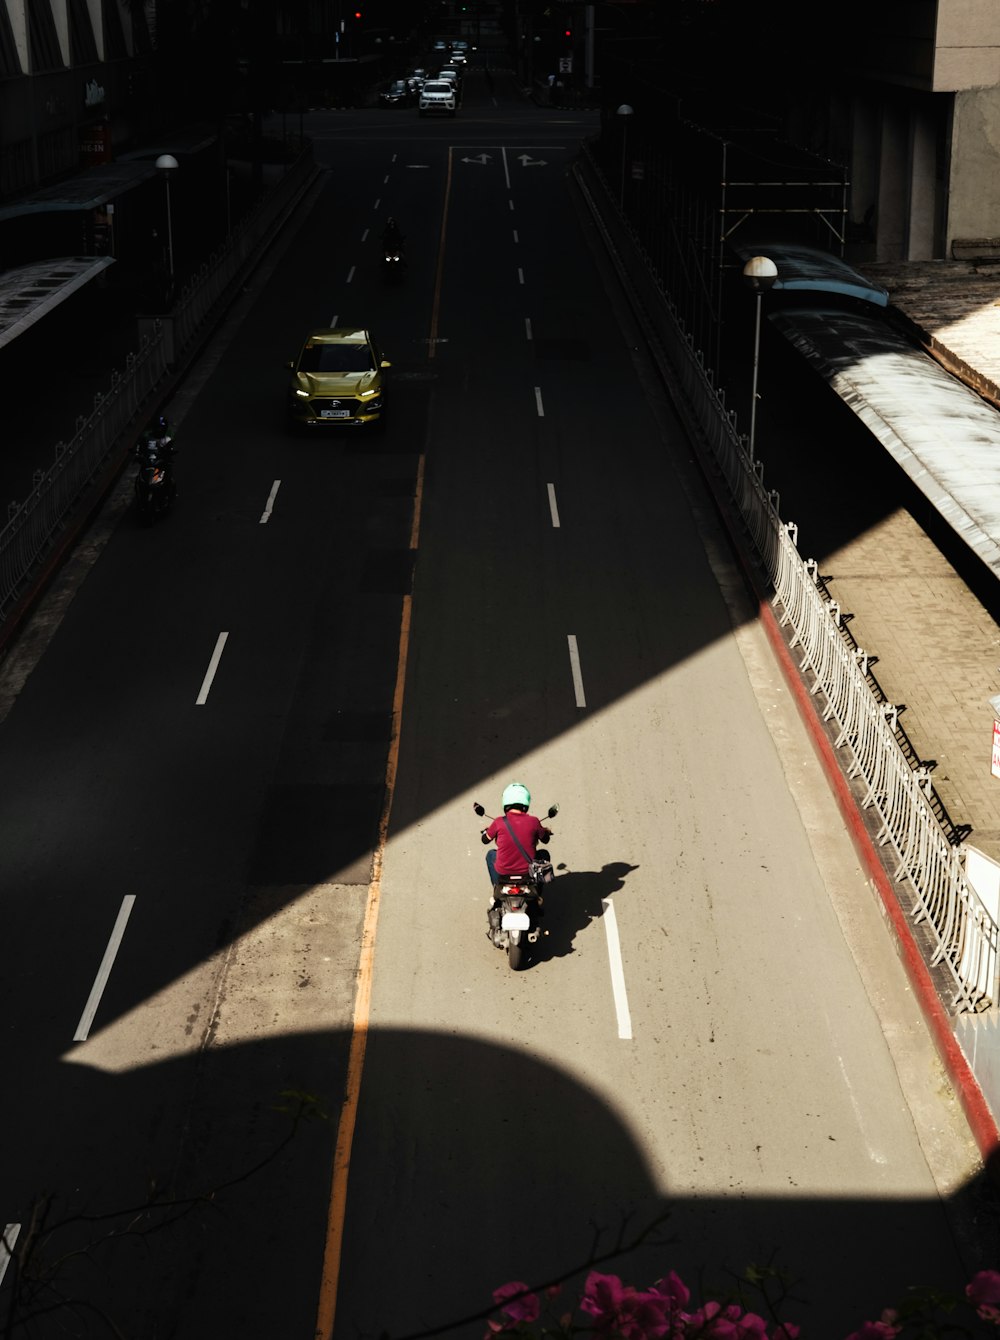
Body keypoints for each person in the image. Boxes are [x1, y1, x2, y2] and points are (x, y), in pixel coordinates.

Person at [480, 782, 552, 895]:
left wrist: (488, 831)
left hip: (504, 874)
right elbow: (546, 840)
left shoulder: (498, 822)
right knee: (544, 854)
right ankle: (538, 892)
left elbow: (484, 840)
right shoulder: (534, 822)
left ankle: (497, 887)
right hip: (528, 873)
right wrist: (544, 831)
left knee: (491, 855)